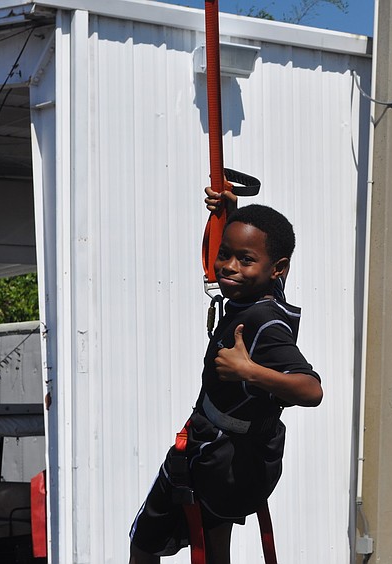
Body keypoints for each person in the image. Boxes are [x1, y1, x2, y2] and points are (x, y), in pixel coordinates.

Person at [129, 203, 323, 563]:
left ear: (277, 269)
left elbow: (311, 390)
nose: (229, 267)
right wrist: (229, 213)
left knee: (145, 542)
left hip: (218, 457)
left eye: (244, 259)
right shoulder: (263, 295)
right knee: (216, 543)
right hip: (238, 455)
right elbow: (253, 256)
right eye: (225, 255)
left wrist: (248, 370)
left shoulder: (265, 322)